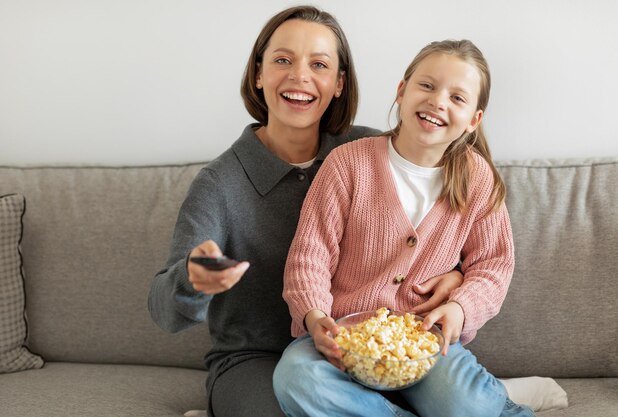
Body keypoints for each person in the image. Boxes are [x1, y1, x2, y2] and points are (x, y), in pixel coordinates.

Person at [147, 6, 464, 417]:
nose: (300, 76)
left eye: (319, 64)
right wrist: (193, 278)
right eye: (282, 60)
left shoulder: (370, 153)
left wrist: (455, 274)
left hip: (358, 351)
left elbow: (455, 214)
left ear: (338, 83)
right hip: (255, 361)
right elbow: (162, 312)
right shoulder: (219, 184)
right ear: (258, 74)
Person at [274, 39, 535, 417]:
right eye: (426, 86)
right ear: (402, 90)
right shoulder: (348, 164)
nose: (437, 102)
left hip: (424, 340)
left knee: (473, 405)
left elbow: (494, 266)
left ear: (474, 119)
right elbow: (310, 255)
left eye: (457, 98)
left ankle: (495, 400)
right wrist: (315, 317)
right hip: (345, 338)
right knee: (296, 380)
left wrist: (461, 309)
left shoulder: (478, 179)